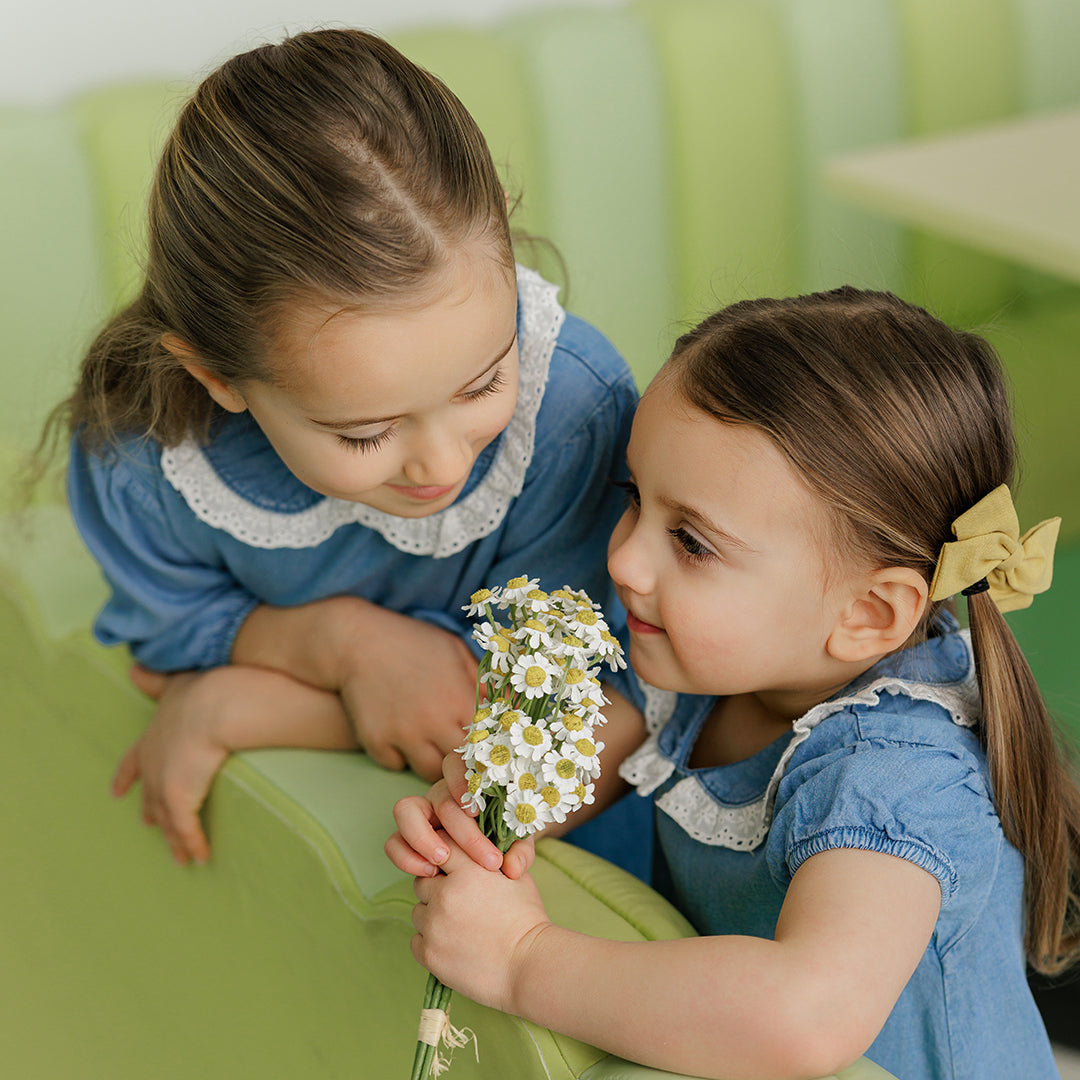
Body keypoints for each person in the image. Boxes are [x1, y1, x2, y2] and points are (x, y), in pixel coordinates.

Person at [388, 287, 1079, 1080]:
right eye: (634, 499)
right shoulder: (713, 667)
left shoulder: (895, 777)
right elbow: (581, 754)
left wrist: (521, 959)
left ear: (866, 614)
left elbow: (804, 1019)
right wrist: (489, 806)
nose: (624, 561)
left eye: (691, 542)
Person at [59, 28, 646, 870]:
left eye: (483, 384)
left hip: (580, 867)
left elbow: (577, 703)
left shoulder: (571, 413)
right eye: (366, 433)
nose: (443, 466)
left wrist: (244, 705)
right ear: (218, 376)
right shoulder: (143, 460)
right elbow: (171, 634)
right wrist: (344, 644)